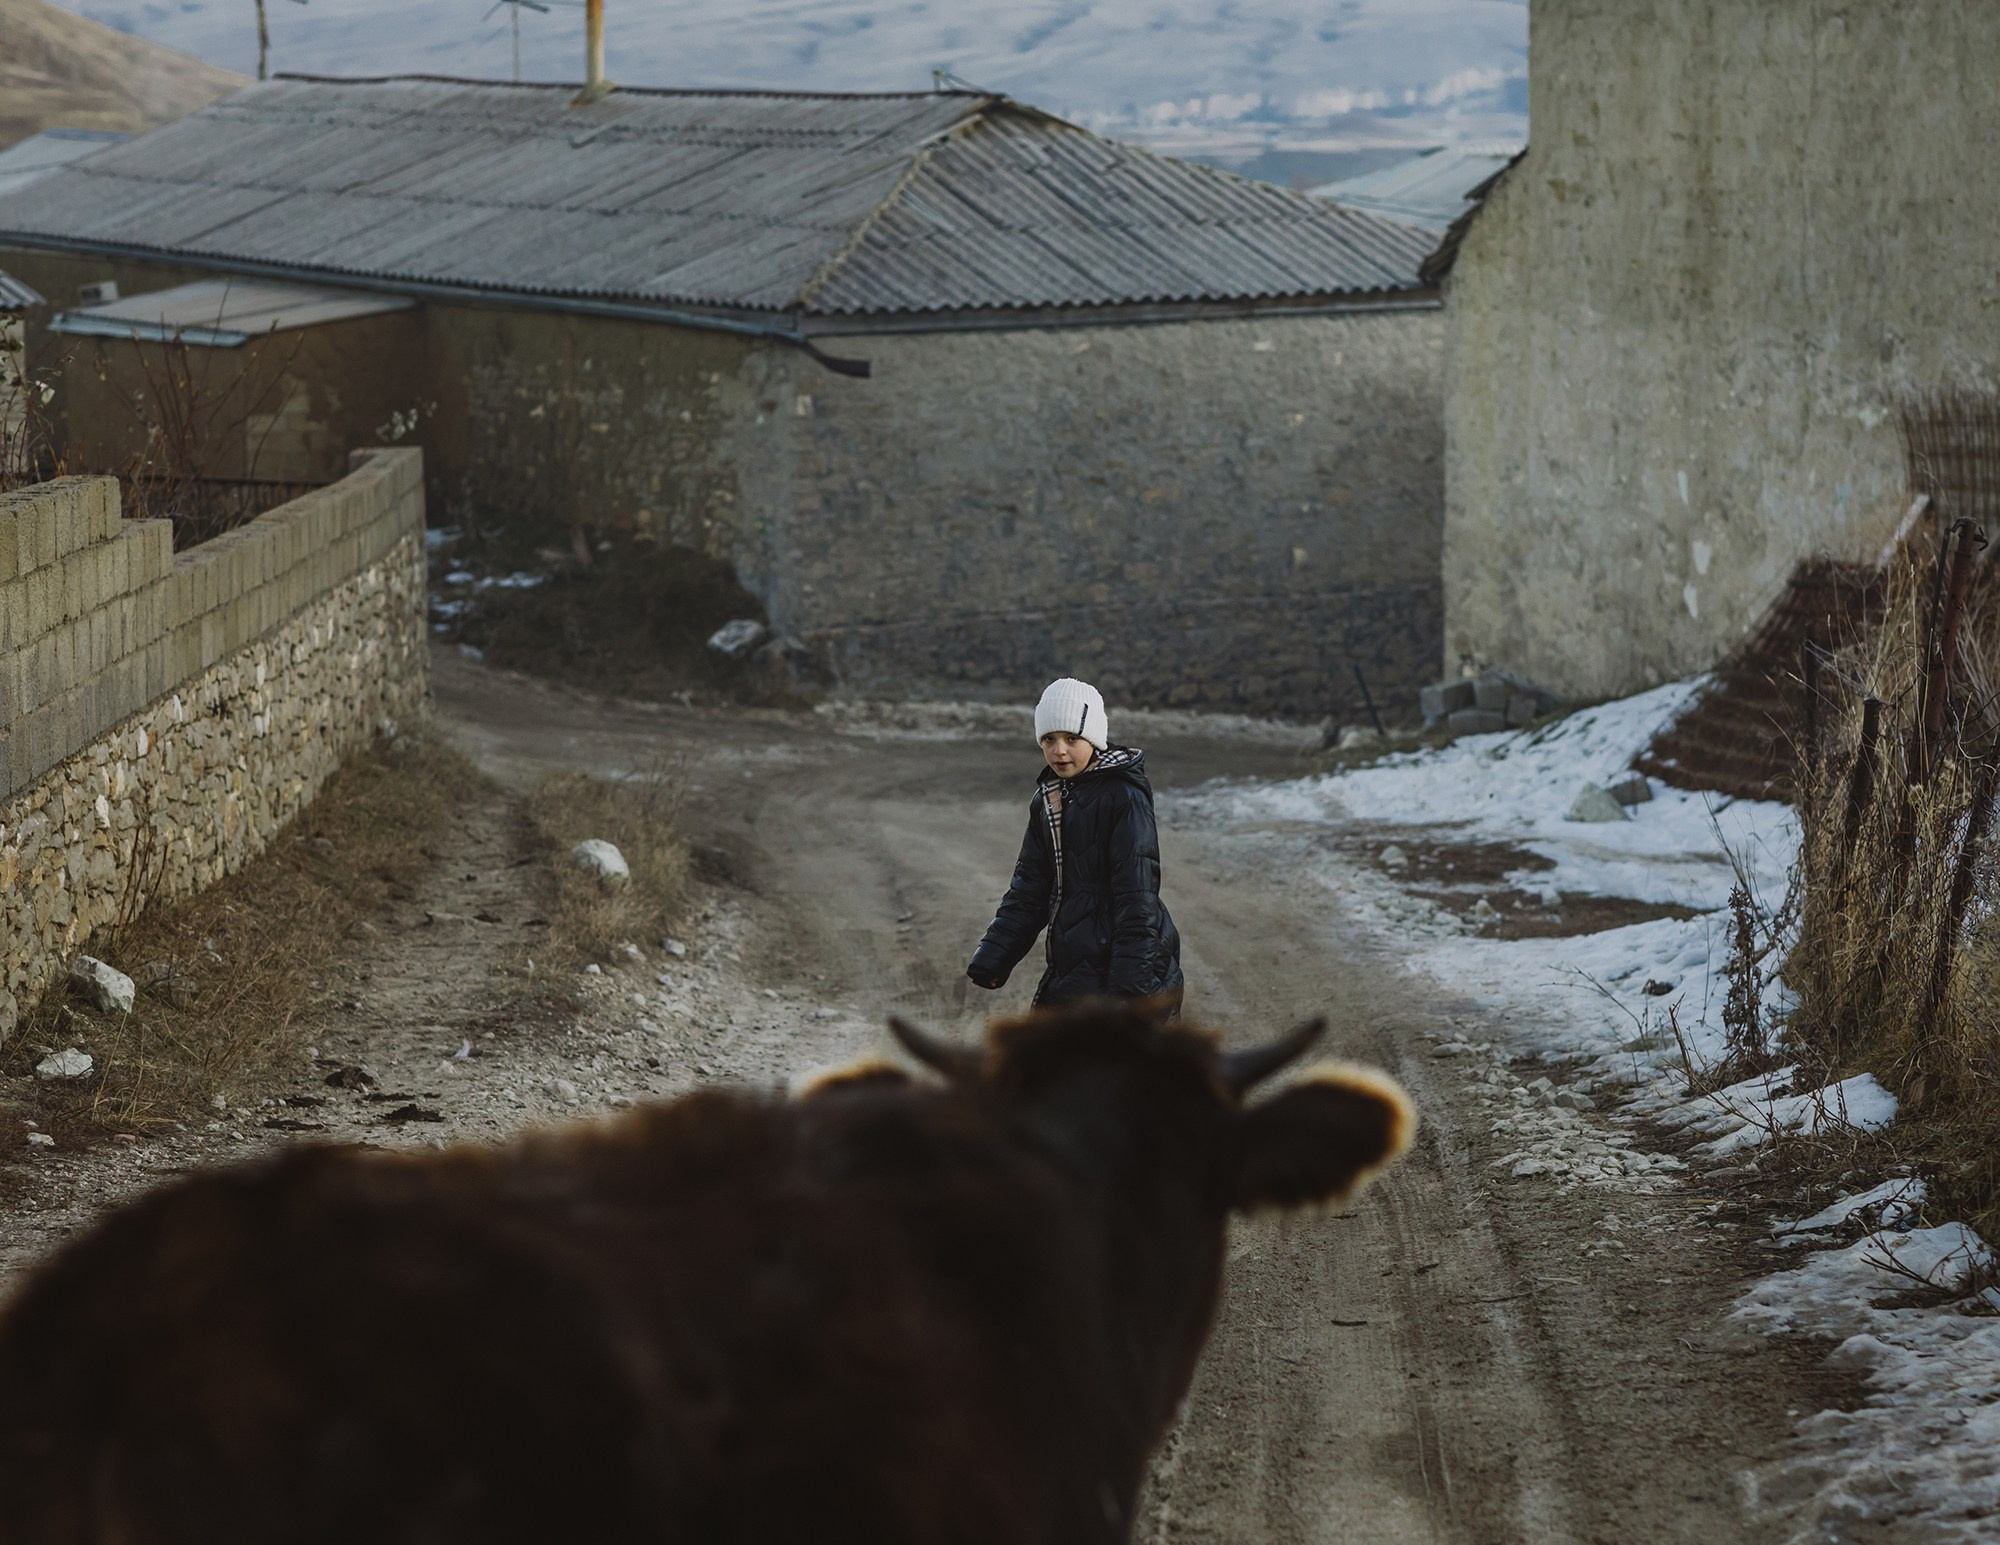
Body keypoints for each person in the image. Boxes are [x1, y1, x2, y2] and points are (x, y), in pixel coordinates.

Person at [967, 678, 1185, 1016]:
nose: (1060, 751)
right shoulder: (1049, 800)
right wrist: (995, 956)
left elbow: (1137, 900)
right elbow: (1029, 890)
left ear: (1093, 739)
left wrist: (1129, 990)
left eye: (1072, 738)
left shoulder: (1123, 796)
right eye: (1049, 739)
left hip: (1128, 970)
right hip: (1073, 966)